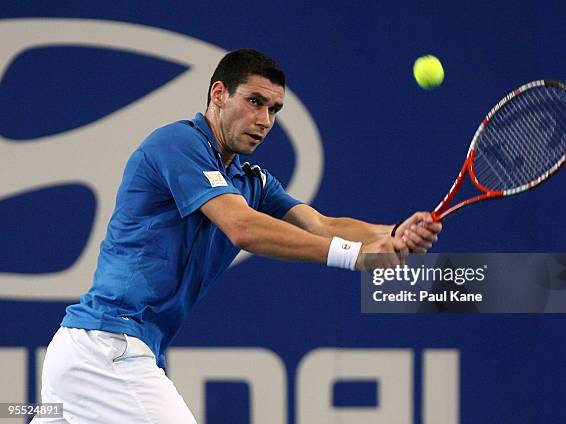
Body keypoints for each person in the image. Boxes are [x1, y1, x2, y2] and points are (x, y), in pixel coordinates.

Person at [33, 48, 442, 423]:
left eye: (275, 109)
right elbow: (242, 228)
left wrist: (391, 231)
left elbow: (321, 223)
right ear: (218, 94)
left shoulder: (251, 181)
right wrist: (354, 256)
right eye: (254, 102)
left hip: (83, 356)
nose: (265, 120)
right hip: (106, 348)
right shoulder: (177, 143)